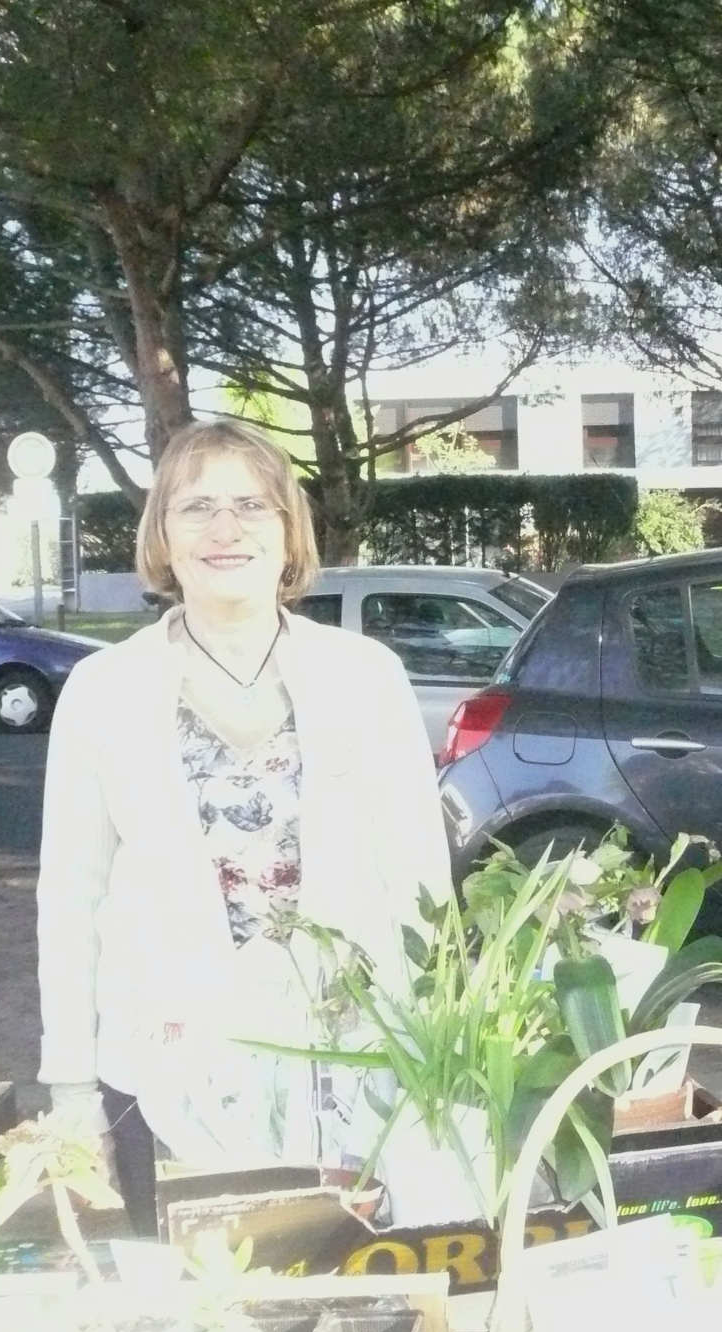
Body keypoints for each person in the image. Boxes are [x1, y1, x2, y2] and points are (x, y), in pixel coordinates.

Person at [36, 419, 450, 1229]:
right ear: (162, 534)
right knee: (194, 1315)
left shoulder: (366, 677)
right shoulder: (103, 689)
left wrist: (437, 1046)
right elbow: (70, 897)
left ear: (290, 531)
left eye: (252, 506)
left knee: (351, 1298)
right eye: (196, 508)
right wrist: (70, 1084)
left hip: (351, 1066)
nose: (225, 529)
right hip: (164, 1073)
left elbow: (420, 876)